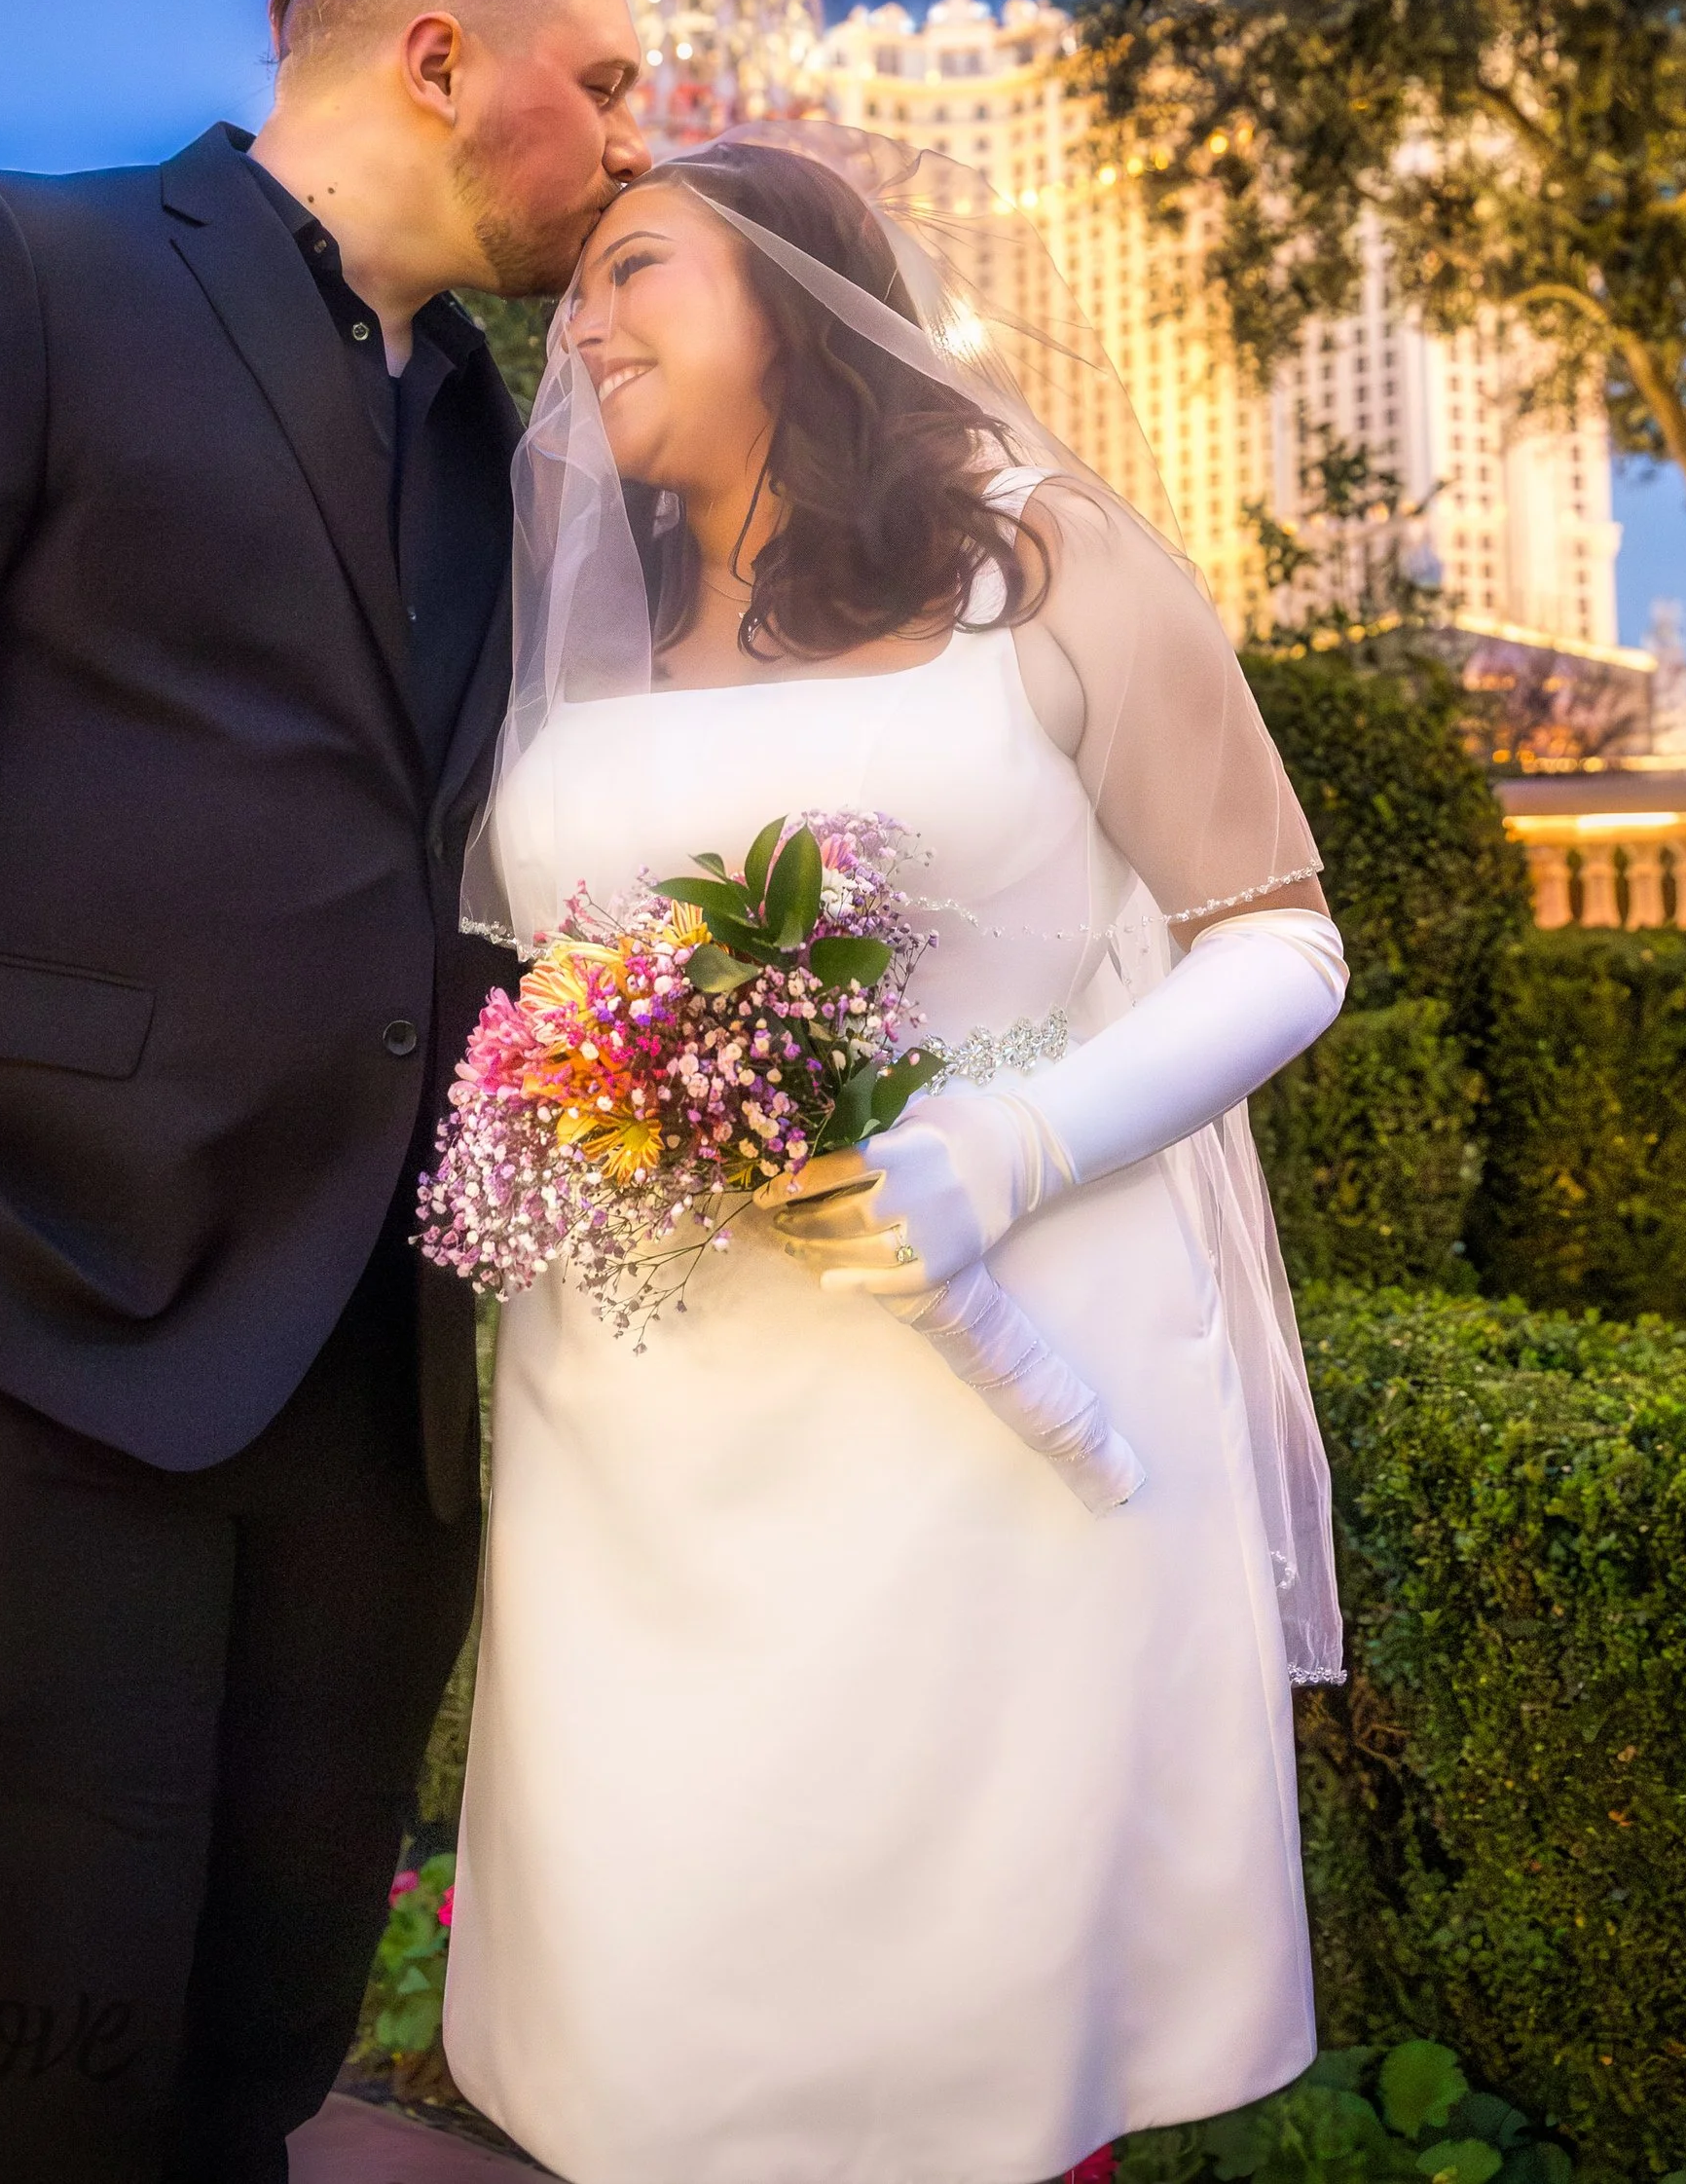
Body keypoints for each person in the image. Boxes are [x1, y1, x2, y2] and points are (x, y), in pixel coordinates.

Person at [0, 0, 648, 2184]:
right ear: (437, 58)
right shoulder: (19, 261)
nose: (627, 131)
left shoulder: (495, 436)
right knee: (37, 2092)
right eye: (598, 79)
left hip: (362, 1388)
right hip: (18, 1319)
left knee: (247, 2063)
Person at [441, 130, 1349, 2184]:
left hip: (994, 1394)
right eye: (569, 288)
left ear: (793, 293)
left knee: (981, 2024)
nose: (579, 324)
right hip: (639, 1434)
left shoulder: (1034, 561)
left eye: (633, 271)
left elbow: (1280, 937)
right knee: (664, 2014)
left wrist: (1008, 1148)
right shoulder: (577, 620)